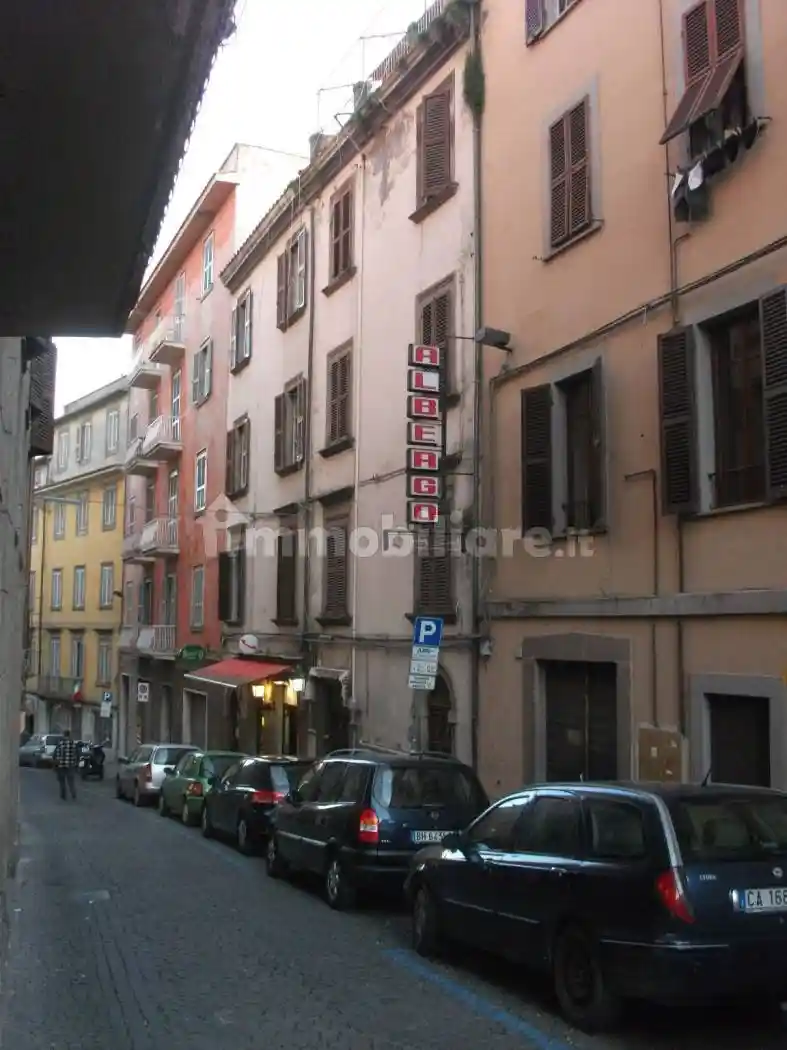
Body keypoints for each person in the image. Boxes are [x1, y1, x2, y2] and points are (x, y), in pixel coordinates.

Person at [53, 730, 78, 800]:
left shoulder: (60, 743)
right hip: (70, 765)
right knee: (71, 781)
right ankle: (73, 794)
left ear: (64, 735)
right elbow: (76, 754)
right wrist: (76, 763)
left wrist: (55, 764)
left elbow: (55, 754)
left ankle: (63, 795)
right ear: (69, 735)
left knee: (62, 781)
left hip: (61, 765)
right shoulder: (73, 744)